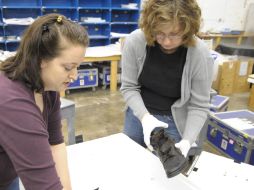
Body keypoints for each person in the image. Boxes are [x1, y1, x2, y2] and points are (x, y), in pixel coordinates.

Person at [0, 14, 89, 190]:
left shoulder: (47, 88)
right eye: (68, 67)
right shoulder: (13, 104)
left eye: (77, 66)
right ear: (41, 60)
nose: (74, 76)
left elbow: (55, 143)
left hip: (7, 173)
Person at [120, 0, 213, 158]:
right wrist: (145, 117)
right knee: (131, 160)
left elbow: (199, 105)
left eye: (175, 34)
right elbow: (129, 87)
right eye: (160, 33)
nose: (167, 42)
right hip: (138, 114)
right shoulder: (135, 41)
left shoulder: (200, 54)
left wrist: (187, 141)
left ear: (188, 29)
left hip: (173, 121)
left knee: (165, 174)